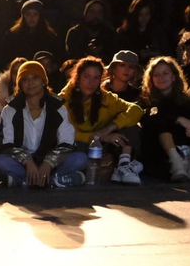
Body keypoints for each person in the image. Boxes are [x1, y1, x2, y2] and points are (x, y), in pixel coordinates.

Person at [0, 60, 88, 188]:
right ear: (20, 84)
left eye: (35, 77)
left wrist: (49, 162)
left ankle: (30, 181)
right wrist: (27, 161)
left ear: (44, 81)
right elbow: (4, 144)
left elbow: (67, 144)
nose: (30, 82)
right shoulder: (10, 109)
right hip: (23, 164)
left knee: (80, 158)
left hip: (50, 164)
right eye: (25, 79)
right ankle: (52, 181)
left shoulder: (58, 108)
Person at [58, 56, 144, 184]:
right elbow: (64, 134)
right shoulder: (64, 99)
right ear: (78, 77)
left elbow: (136, 110)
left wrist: (110, 128)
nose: (91, 82)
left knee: (131, 127)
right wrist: (99, 138)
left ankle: (123, 165)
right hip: (77, 145)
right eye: (86, 77)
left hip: (100, 144)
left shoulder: (105, 97)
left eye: (96, 77)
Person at [139, 56, 190, 181]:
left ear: (174, 76)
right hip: (160, 150)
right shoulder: (146, 100)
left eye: (165, 73)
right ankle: (176, 164)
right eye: (156, 75)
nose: (161, 78)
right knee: (164, 130)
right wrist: (179, 119)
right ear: (151, 79)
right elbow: (151, 118)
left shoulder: (185, 99)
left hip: (185, 144)